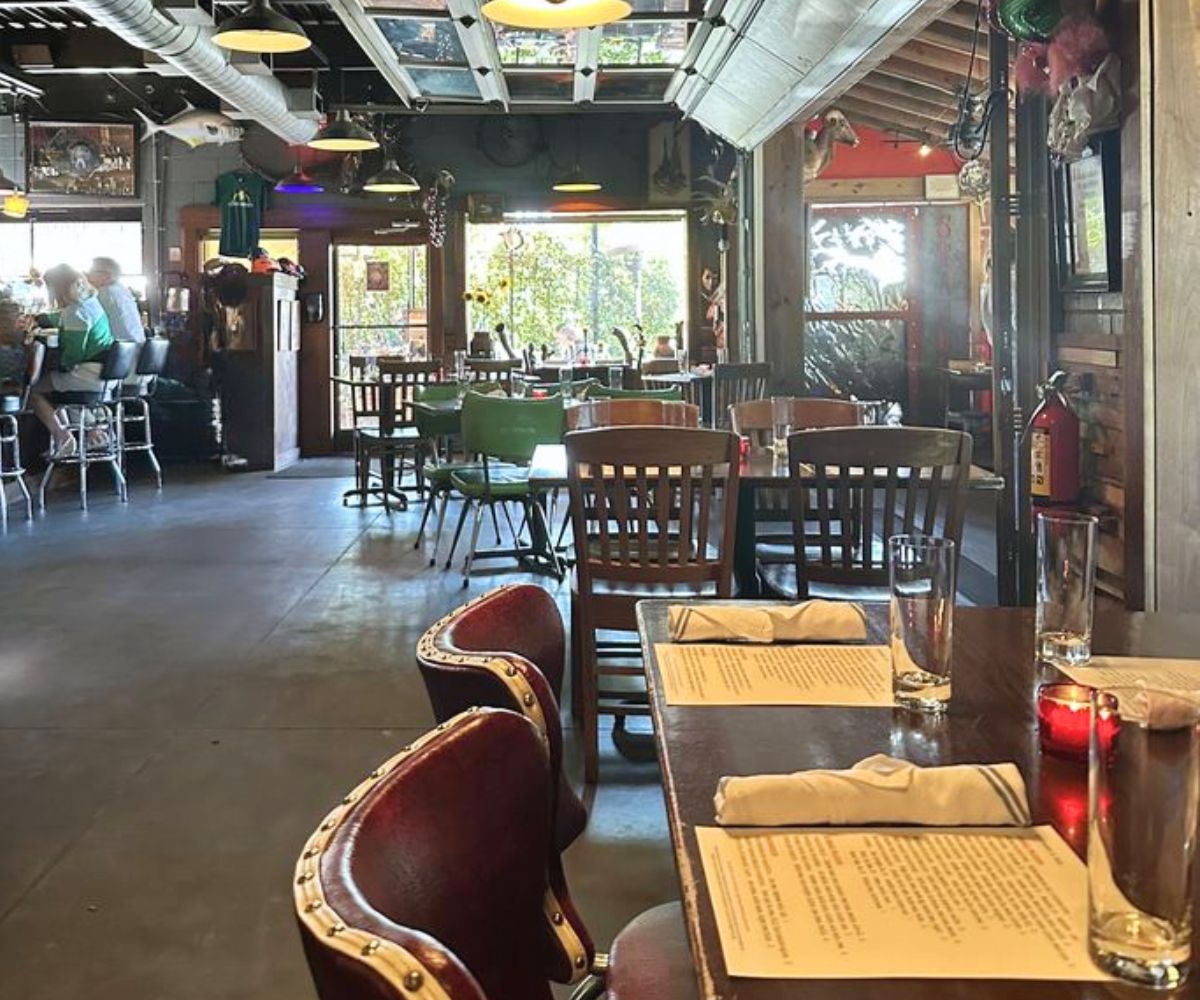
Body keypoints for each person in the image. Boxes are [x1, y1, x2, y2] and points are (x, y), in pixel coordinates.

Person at [29, 264, 114, 457]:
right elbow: (60, 317)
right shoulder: (91, 302)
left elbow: (73, 356)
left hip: (90, 373)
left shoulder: (75, 312)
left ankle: (63, 437)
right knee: (59, 386)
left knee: (34, 391)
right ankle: (92, 432)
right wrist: (42, 319)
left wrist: (59, 366)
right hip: (106, 374)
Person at [87, 257, 145, 344]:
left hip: (116, 350)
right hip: (135, 348)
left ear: (107, 275)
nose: (87, 275)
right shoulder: (122, 290)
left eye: (91, 271)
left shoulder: (105, 293)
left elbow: (88, 320)